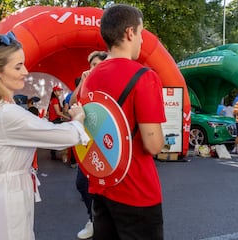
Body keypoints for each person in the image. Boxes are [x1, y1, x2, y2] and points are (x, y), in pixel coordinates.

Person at [0, 32, 89, 240]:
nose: (25, 71)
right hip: (5, 203)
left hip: (0, 197)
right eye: (17, 67)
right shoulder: (6, 113)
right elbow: (65, 136)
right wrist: (78, 119)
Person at [80, 4, 166, 240]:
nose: (141, 40)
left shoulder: (89, 79)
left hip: (102, 186)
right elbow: (153, 145)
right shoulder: (144, 77)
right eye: (141, 33)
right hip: (138, 191)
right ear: (129, 33)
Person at [73, 51, 107, 239]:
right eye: (91, 65)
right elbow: (70, 103)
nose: (91, 68)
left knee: (105, 189)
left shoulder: (109, 84)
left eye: (96, 64)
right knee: (82, 183)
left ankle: (102, 222)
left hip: (107, 144)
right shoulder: (86, 84)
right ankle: (93, 220)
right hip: (87, 143)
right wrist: (82, 84)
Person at [47, 85, 71, 160]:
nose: (60, 91)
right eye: (58, 90)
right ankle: (63, 154)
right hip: (55, 121)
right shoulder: (54, 100)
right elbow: (58, 112)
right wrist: (68, 118)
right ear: (54, 92)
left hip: (53, 120)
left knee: (55, 138)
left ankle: (54, 154)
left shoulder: (53, 99)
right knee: (62, 136)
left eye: (60, 90)